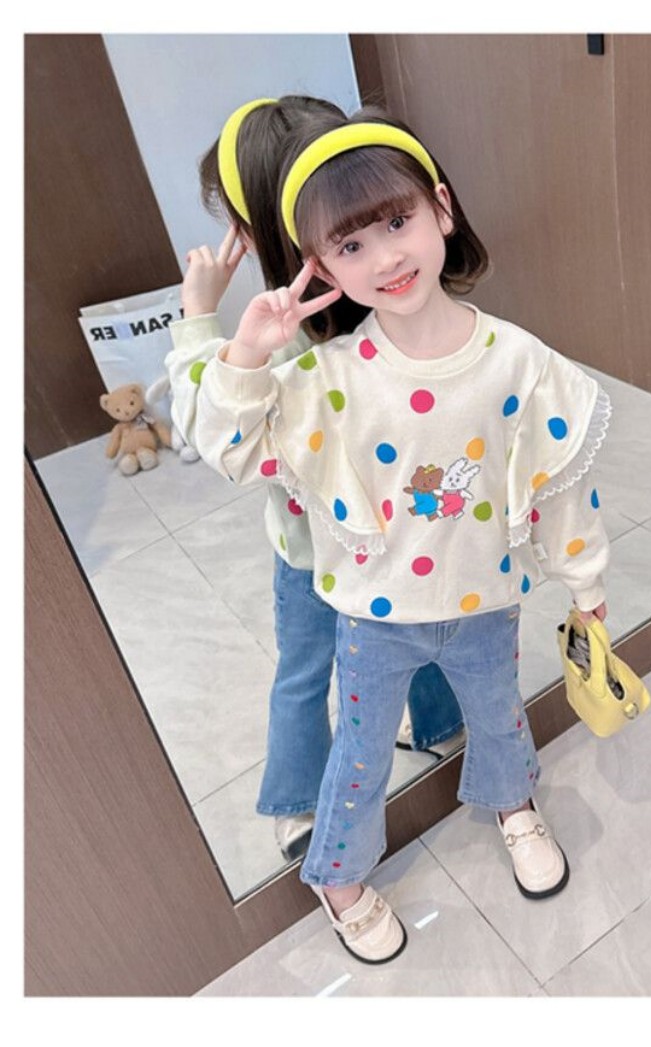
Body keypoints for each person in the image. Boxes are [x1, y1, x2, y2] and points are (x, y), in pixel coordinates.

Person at [166, 106, 611, 964]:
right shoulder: (322, 378)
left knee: (501, 719)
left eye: (398, 222)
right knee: (362, 755)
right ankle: (338, 880)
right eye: (351, 245)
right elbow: (228, 448)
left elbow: (561, 485)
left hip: (486, 600)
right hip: (373, 617)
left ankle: (516, 809)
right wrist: (246, 352)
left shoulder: (520, 359)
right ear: (319, 264)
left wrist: (586, 586)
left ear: (441, 208)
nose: (385, 259)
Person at [172, 97, 465, 863]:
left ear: (252, 231)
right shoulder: (395, 304)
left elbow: (211, 431)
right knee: (419, 629)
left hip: (313, 554)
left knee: (307, 669)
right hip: (400, 540)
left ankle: (300, 801)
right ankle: (440, 726)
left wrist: (199, 318)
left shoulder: (271, 345)